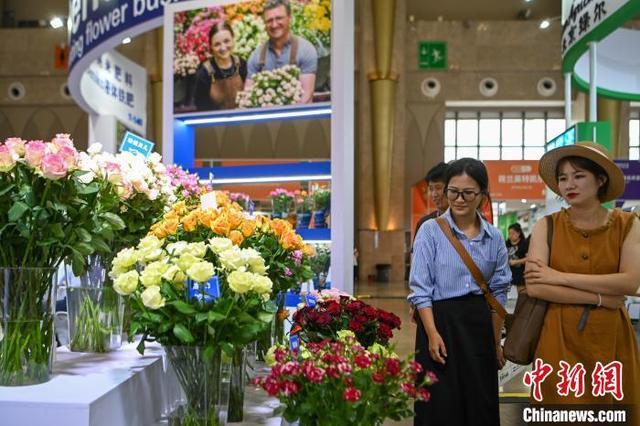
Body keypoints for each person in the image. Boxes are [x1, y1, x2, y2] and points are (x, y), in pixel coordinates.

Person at [524, 142, 640, 413]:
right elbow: (536, 285)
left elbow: (630, 282)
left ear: (600, 179)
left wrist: (558, 276)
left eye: (578, 176)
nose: (568, 185)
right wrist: (603, 297)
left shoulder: (628, 224)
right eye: (563, 178)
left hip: (610, 337)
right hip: (557, 335)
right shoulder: (547, 225)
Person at [408, 158, 511, 426]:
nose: (459, 199)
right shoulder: (430, 231)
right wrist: (431, 333)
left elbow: (499, 292)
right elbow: (420, 288)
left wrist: (494, 340)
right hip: (439, 323)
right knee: (439, 404)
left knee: (480, 402)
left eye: (468, 193)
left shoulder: (494, 237)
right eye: (453, 191)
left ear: (482, 195)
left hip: (478, 326)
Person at [244, 0, 318, 104]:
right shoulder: (256, 56)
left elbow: (307, 94)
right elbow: (248, 96)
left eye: (279, 18)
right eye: (269, 20)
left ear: (289, 18)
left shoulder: (305, 50)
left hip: (300, 117)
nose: (274, 25)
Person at [194, 22, 248, 111]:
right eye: (217, 44)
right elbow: (201, 107)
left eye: (226, 41)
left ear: (233, 39)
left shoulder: (241, 64)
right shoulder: (205, 72)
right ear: (211, 46)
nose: (223, 48)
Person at [414, 162, 449, 238]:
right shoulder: (424, 223)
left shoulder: (464, 222)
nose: (434, 194)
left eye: (438, 188)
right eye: (431, 189)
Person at [506, 222, 528, 292]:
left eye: (513, 233)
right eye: (509, 233)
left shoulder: (524, 244)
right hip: (509, 274)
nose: (510, 236)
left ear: (518, 233)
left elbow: (530, 258)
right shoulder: (507, 243)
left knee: (521, 295)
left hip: (521, 275)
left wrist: (516, 262)